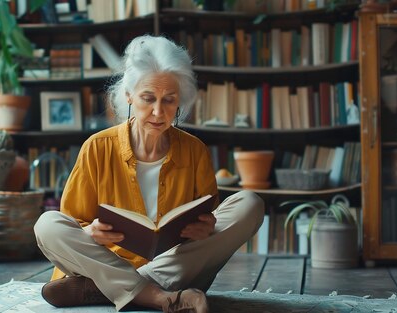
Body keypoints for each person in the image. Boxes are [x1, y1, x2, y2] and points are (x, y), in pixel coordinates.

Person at [34, 35, 264, 313]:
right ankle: (160, 297)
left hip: (174, 266)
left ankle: (104, 290)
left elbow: (208, 224)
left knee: (250, 203)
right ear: (128, 95)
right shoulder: (97, 147)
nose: (158, 112)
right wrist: (90, 231)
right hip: (108, 261)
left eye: (169, 100)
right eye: (148, 98)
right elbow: (73, 221)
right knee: (47, 225)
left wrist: (206, 229)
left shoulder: (195, 151)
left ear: (181, 100)